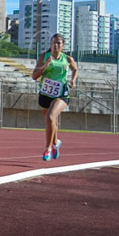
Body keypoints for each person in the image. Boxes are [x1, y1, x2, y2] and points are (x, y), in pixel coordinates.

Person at [31, 33, 78, 161]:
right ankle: (56, 142)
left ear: (62, 46)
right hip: (45, 93)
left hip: (61, 94)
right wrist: (45, 65)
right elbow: (34, 76)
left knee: (50, 116)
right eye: (53, 42)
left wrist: (73, 80)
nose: (56, 45)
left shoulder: (67, 59)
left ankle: (48, 149)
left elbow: (75, 69)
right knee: (50, 121)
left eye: (58, 43)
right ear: (50, 44)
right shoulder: (43, 57)